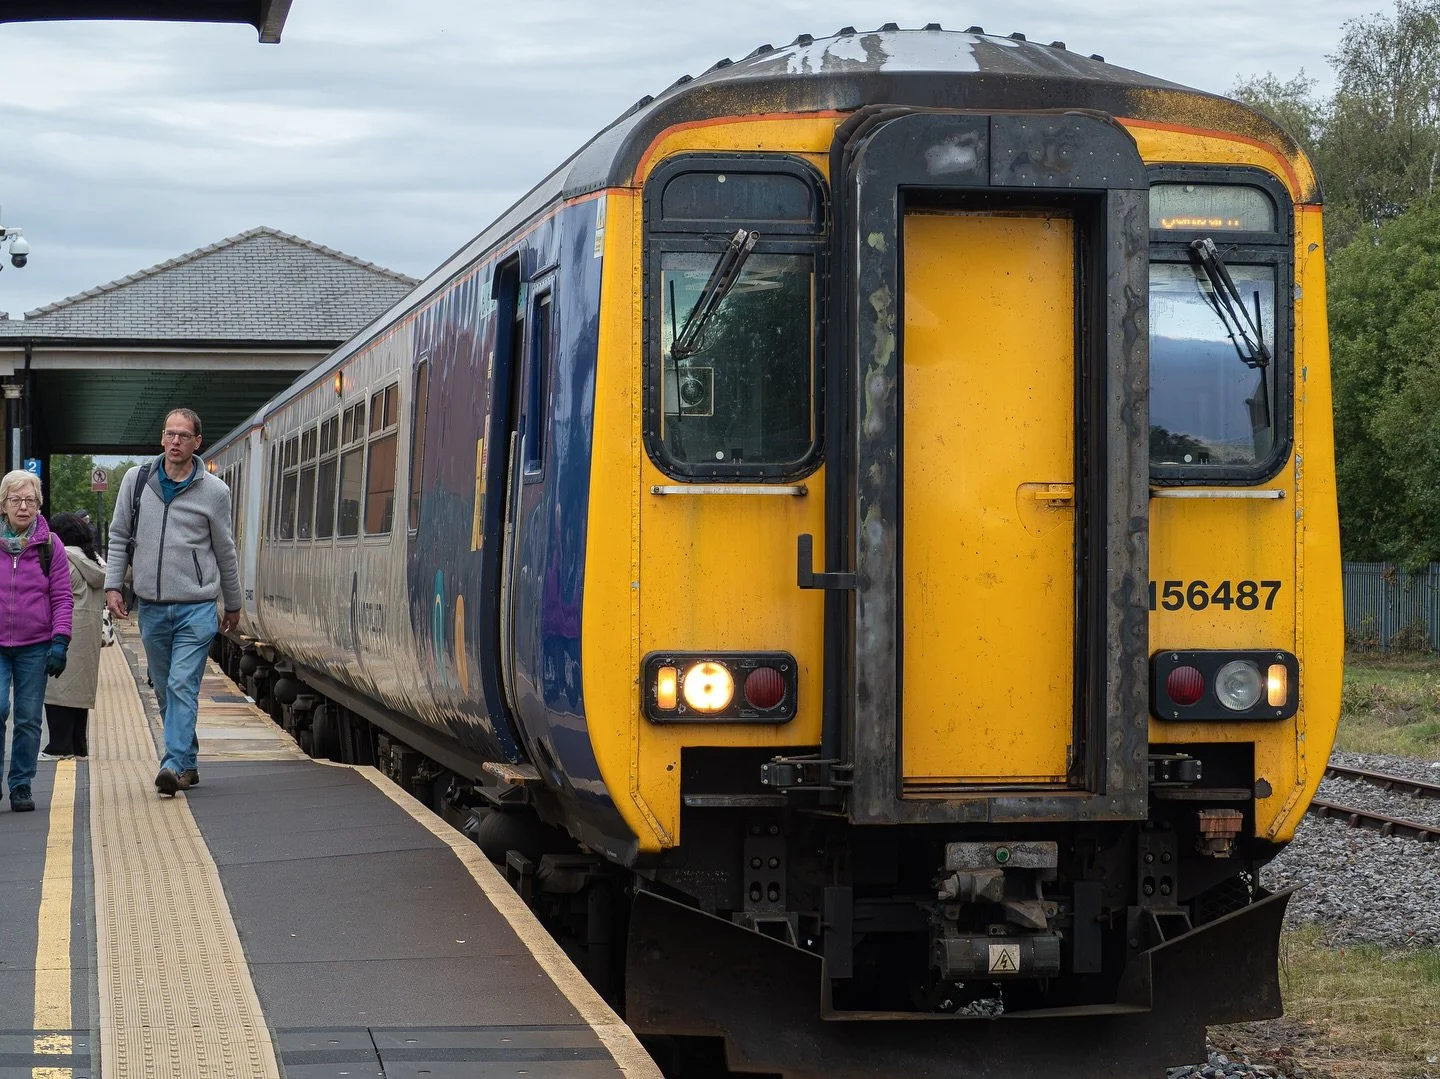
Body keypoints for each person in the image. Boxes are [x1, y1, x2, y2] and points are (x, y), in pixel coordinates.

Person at [105, 408, 240, 796]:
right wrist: (114, 586)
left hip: (196, 606)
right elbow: (118, 537)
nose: (175, 441)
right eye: (169, 434)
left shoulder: (215, 492)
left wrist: (232, 603)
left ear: (198, 442)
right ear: (162, 439)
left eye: (183, 435)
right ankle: (188, 759)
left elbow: (225, 551)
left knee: (182, 684)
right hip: (151, 606)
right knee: (164, 687)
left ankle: (172, 763)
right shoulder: (137, 481)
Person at [0, 469, 74, 812]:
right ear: (3, 505)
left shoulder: (50, 545)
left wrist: (60, 640)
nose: (24, 506)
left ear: (39, 504)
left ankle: (21, 785)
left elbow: (62, 596)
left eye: (30, 500)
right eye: (16, 500)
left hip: (35, 644)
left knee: (29, 718)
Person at [41, 512, 106, 760]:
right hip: (88, 631)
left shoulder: (64, 559)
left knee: (57, 688)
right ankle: (78, 745)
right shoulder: (93, 560)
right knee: (78, 691)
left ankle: (59, 746)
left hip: (65, 628)